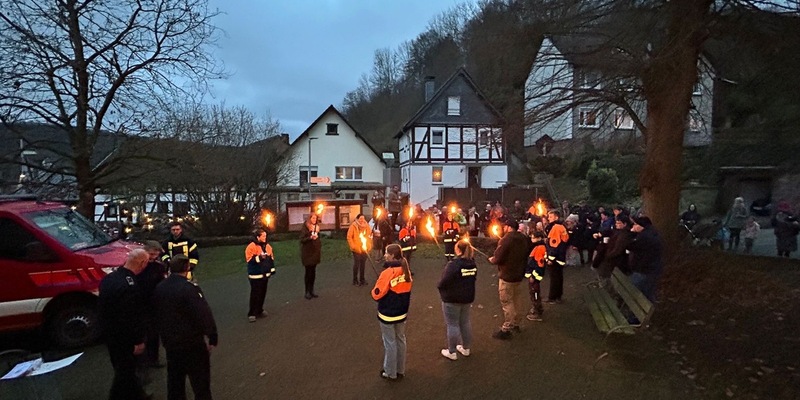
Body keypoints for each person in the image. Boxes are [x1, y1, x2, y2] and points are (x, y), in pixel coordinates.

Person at [154, 255, 218, 400]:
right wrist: (212, 336)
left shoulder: (160, 287)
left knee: (175, 379)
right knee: (200, 380)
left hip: (170, 342)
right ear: (187, 268)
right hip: (191, 342)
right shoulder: (189, 288)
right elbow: (203, 313)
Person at [98, 248, 149, 400]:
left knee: (124, 370)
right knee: (125, 372)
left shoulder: (109, 279)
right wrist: (137, 341)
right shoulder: (130, 286)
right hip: (124, 339)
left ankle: (138, 395)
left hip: (110, 334)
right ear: (142, 263)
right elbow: (129, 318)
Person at [372, 244, 413, 381]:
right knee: (400, 339)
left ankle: (390, 372)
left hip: (388, 313)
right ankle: (400, 370)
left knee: (390, 342)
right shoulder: (405, 269)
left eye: (386, 253)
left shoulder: (387, 272)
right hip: (402, 311)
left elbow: (377, 294)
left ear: (392, 255)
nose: (384, 255)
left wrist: (377, 286)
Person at [488, 218, 530, 340]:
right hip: (519, 274)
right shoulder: (523, 238)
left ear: (509, 227)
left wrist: (493, 259)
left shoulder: (506, 239)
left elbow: (498, 257)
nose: (504, 228)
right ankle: (516, 323)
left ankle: (507, 327)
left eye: (505, 226)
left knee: (507, 301)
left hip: (507, 275)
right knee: (517, 299)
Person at [437, 240, 477, 360]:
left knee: (452, 324)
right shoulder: (472, 264)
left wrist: (440, 287)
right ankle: (466, 348)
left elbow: (444, 282)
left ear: (458, 250)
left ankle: (452, 351)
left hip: (452, 298)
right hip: (467, 297)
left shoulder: (454, 265)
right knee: (465, 322)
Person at [138, 241, 168, 368]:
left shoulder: (158, 267)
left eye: (155, 255)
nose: (153, 257)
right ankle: (142, 361)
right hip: (141, 304)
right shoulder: (139, 267)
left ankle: (153, 359)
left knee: (154, 334)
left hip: (154, 304)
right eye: (151, 254)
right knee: (143, 334)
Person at [627, 216, 664, 303]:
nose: (634, 226)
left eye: (635, 224)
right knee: (649, 292)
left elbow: (630, 246)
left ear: (641, 226)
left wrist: (631, 233)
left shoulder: (644, 237)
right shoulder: (651, 233)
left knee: (638, 293)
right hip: (652, 268)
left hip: (644, 269)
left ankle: (637, 315)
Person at [595, 216, 634, 287]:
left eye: (618, 223)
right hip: (612, 258)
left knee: (605, 274)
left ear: (624, 224)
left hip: (615, 260)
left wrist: (608, 256)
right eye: (616, 223)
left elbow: (618, 249)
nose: (616, 224)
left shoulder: (624, 235)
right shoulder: (618, 232)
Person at [245, 229, 275, 320]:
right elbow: (249, 260)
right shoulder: (251, 247)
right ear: (258, 237)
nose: (265, 238)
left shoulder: (268, 247)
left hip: (265, 275)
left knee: (262, 293)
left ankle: (259, 310)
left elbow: (271, 259)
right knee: (255, 294)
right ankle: (252, 313)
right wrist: (259, 258)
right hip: (255, 275)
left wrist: (272, 271)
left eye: (265, 236)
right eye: (263, 236)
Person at [544, 210, 569, 304]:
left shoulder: (555, 228)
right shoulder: (562, 227)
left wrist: (550, 258)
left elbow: (554, 244)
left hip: (555, 258)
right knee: (559, 276)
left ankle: (552, 297)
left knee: (554, 277)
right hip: (561, 256)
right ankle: (558, 296)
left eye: (550, 217)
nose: (548, 219)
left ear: (556, 217)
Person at [525, 231, 547, 322]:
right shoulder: (538, 247)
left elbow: (539, 265)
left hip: (535, 276)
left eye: (533, 238)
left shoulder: (539, 248)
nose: (531, 239)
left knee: (535, 293)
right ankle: (537, 308)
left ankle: (537, 311)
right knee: (535, 292)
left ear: (539, 238)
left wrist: (533, 276)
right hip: (535, 275)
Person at [300, 214, 322, 299]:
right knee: (308, 272)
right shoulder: (305, 227)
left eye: (315, 218)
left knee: (313, 272)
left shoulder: (317, 227)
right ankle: (307, 291)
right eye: (313, 218)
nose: (314, 219)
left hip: (315, 252)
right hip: (307, 252)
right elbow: (302, 239)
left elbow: (318, 238)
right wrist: (310, 237)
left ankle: (312, 290)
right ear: (309, 218)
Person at [347, 214, 372, 286]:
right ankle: (355, 280)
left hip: (364, 248)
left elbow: (369, 235)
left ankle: (362, 279)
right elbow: (349, 237)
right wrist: (353, 246)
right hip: (356, 249)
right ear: (357, 219)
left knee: (363, 264)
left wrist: (368, 245)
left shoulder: (366, 226)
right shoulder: (353, 226)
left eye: (363, 218)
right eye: (360, 218)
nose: (362, 220)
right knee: (357, 264)